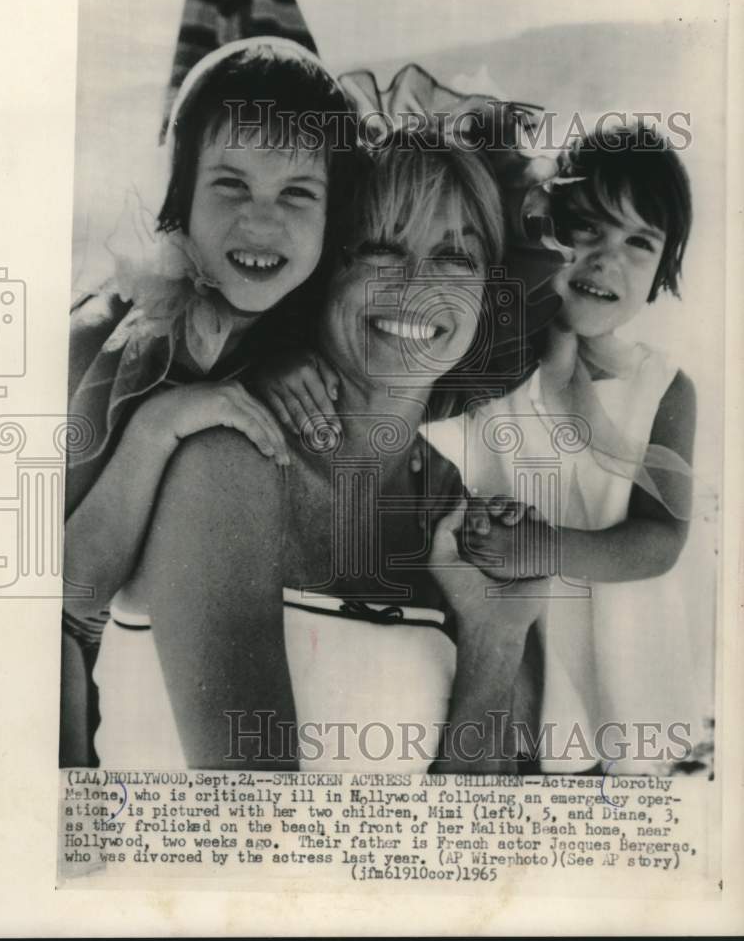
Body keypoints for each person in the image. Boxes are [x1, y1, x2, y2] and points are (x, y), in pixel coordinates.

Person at [90, 127, 550, 772]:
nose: (419, 285)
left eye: (455, 258)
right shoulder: (225, 459)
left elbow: (476, 851)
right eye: (380, 248)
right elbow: (258, 833)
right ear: (321, 272)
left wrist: (495, 639)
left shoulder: (465, 513)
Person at [60, 36, 360, 765]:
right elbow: (65, 594)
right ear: (180, 196)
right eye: (230, 184)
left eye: (297, 193)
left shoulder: (310, 330)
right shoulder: (110, 337)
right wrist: (159, 425)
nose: (261, 222)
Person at [428, 124, 706, 772]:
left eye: (640, 243)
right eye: (588, 228)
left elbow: (661, 538)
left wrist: (547, 547)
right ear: (544, 231)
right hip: (511, 635)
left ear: (662, 272)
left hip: (618, 643)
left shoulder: (661, 387)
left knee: (607, 766)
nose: (608, 259)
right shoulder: (495, 357)